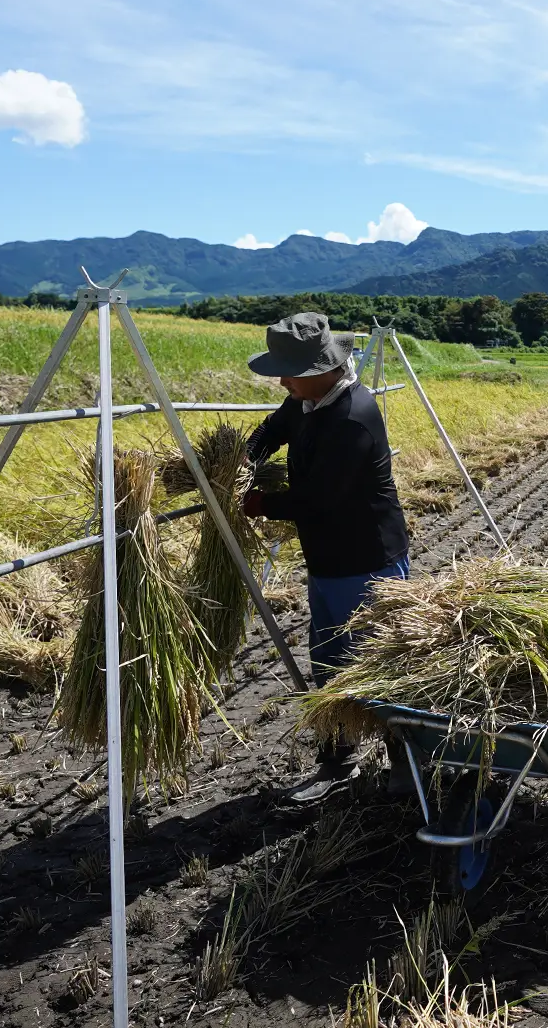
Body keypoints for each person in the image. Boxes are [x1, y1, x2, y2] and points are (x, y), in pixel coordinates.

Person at [242, 312, 408, 802]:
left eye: (289, 371)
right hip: (328, 559)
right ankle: (337, 754)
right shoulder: (308, 399)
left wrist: (260, 504)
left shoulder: (352, 416)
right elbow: (273, 428)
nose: (281, 381)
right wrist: (245, 457)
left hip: (367, 559)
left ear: (323, 368)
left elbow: (319, 499)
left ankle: (403, 758)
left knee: (380, 661)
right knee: (330, 661)